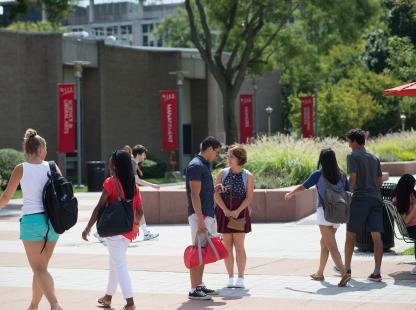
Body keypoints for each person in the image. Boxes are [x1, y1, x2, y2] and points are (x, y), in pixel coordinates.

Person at [0, 129, 63, 310]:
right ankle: (33, 306)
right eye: (46, 147)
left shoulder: (21, 168)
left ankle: (55, 304)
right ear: (41, 148)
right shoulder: (52, 167)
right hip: (53, 223)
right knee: (41, 268)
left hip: (32, 222)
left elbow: (6, 197)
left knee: (39, 269)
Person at [82, 150, 143, 310]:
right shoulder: (133, 184)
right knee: (115, 263)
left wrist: (87, 227)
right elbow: (140, 212)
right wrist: (135, 226)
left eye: (110, 162)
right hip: (128, 230)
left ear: (116, 166)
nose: (109, 165)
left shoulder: (110, 182)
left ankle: (130, 302)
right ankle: (108, 297)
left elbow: (98, 208)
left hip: (113, 230)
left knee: (120, 265)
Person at [285, 148, 351, 287]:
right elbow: (348, 193)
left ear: (322, 160)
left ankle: (344, 273)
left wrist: (291, 193)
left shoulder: (318, 174)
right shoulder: (342, 175)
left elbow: (304, 187)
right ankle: (320, 273)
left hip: (325, 213)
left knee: (331, 245)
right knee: (325, 243)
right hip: (338, 215)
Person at [344, 128, 384, 282]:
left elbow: (352, 179)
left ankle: (346, 269)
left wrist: (348, 195)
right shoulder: (374, 157)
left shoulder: (353, 156)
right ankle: (377, 272)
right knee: (376, 235)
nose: (348, 145)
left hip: (360, 199)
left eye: (349, 141)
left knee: (351, 234)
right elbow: (379, 182)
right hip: (375, 199)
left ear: (354, 141)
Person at [186, 136, 222, 300]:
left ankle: (199, 285)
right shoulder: (195, 165)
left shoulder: (204, 165)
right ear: (209, 149)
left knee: (204, 251)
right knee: (198, 251)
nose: (217, 155)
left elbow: (201, 191)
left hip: (207, 214)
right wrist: (200, 219)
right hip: (200, 215)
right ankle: (194, 289)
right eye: (217, 152)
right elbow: (194, 195)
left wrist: (215, 189)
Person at [214, 145, 254, 289]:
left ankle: (241, 277)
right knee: (227, 247)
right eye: (228, 156)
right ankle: (230, 277)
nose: (228, 159)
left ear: (239, 158)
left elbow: (249, 197)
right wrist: (224, 209)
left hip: (240, 213)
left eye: (231, 156)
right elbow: (216, 193)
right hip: (224, 212)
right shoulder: (222, 173)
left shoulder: (247, 176)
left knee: (239, 247)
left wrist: (238, 210)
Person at [132, 144, 160, 241]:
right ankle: (100, 233)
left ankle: (146, 233)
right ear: (139, 154)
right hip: (129, 191)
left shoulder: (134, 163)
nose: (145, 156)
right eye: (144, 154)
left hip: (132, 190)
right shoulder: (132, 162)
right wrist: (152, 185)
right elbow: (137, 180)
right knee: (124, 212)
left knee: (140, 211)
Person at [392, 174, 416, 274]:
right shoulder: (399, 198)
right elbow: (405, 221)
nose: (413, 188)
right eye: (412, 186)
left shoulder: (411, 194)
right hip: (411, 228)